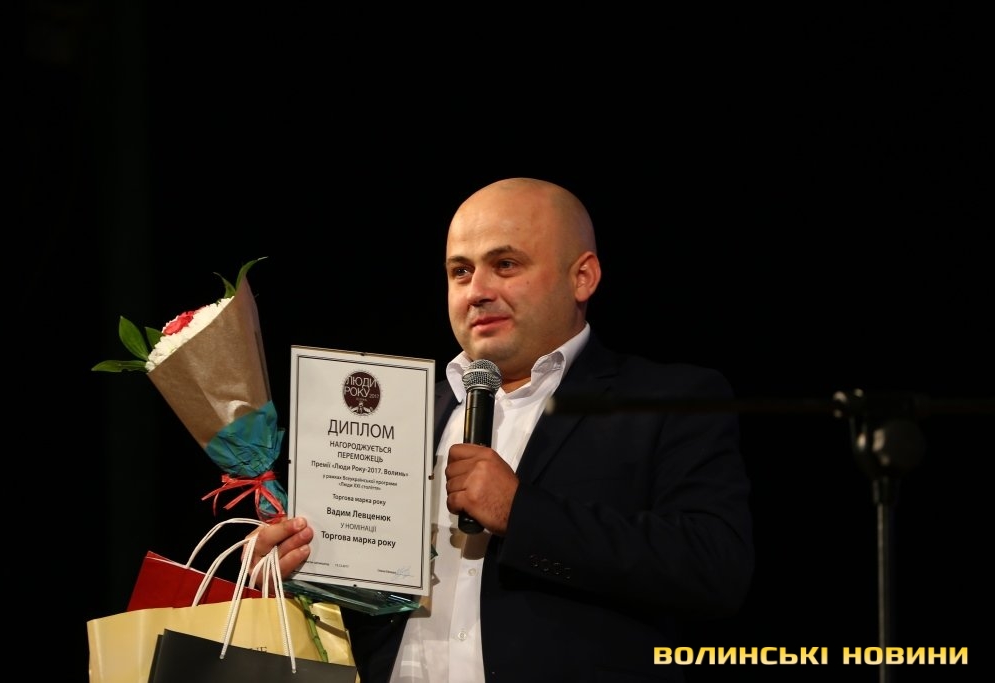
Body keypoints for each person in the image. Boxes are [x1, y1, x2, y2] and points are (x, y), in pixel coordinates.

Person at [255, 177, 755, 682]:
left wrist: (521, 512)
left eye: (506, 264)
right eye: (460, 271)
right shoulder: (399, 412)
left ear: (582, 277)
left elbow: (715, 569)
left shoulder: (666, 399)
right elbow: (350, 603)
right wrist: (294, 564)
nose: (477, 292)